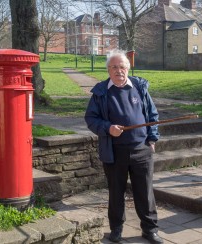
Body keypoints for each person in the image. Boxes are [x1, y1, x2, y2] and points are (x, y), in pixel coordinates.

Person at [84, 49, 163, 244]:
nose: (118, 71)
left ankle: (150, 230)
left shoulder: (140, 87)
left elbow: (152, 116)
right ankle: (116, 229)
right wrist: (108, 128)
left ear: (128, 68)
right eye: (114, 67)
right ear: (108, 70)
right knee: (116, 192)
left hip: (141, 149)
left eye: (122, 67)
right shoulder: (101, 92)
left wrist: (152, 139)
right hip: (114, 151)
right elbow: (91, 118)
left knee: (145, 192)